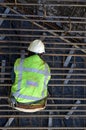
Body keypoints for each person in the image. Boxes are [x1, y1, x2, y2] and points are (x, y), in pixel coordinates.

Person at [10, 39, 51, 112]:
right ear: (42, 54)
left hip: (18, 102)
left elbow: (13, 78)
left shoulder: (19, 62)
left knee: (16, 75)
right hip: (38, 104)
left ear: (28, 51)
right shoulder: (46, 67)